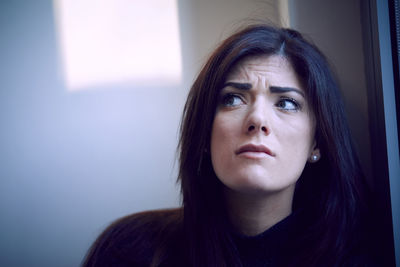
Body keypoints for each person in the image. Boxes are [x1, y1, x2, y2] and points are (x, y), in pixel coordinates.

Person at [83, 24, 375, 266]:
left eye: (286, 103)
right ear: (205, 132)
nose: (258, 119)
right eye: (233, 99)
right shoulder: (130, 250)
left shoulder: (361, 257)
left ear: (317, 142)